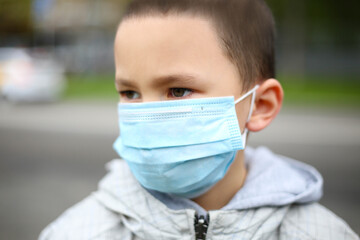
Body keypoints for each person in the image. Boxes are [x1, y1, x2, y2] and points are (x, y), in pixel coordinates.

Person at [39, 0, 359, 239]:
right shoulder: (76, 231)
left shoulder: (323, 233)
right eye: (130, 93)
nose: (147, 116)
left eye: (178, 90)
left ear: (259, 105)